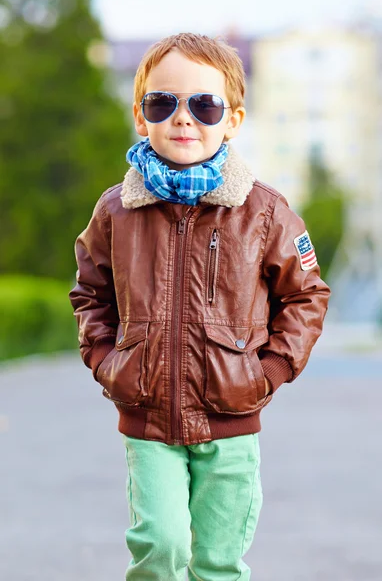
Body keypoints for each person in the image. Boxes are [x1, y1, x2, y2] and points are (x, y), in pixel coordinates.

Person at [69, 32, 330, 581]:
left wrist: (271, 370)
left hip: (232, 415)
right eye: (163, 103)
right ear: (142, 117)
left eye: (204, 105)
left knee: (218, 560)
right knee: (160, 548)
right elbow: (91, 290)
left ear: (232, 120)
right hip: (148, 417)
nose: (183, 118)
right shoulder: (118, 210)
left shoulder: (262, 210)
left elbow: (306, 294)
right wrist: (104, 359)